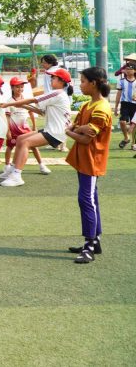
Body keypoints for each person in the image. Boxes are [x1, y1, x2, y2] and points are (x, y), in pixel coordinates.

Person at [63, 67, 113, 263]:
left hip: (92, 160)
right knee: (91, 198)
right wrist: (78, 129)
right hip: (84, 159)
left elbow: (85, 137)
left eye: (83, 81)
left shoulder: (101, 108)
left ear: (94, 83)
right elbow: (79, 128)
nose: (80, 84)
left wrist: (70, 132)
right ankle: (95, 241)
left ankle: (90, 245)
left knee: (86, 200)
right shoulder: (87, 105)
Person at [0, 68, 73, 187]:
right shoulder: (58, 94)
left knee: (26, 142)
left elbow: (33, 99)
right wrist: (22, 105)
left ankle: (17, 175)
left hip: (55, 132)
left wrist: (9, 103)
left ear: (61, 81)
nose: (51, 80)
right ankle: (12, 169)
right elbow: (41, 112)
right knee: (20, 139)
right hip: (52, 130)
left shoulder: (57, 93)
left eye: (53, 78)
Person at [2, 77, 47, 178]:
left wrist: (34, 126)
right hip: (14, 130)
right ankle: (7, 166)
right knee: (10, 147)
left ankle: (41, 165)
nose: (20, 89)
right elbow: (7, 117)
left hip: (25, 129)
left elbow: (31, 112)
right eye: (17, 87)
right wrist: (8, 131)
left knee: (34, 146)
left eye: (22, 87)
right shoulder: (9, 101)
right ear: (12, 88)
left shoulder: (26, 100)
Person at [113, 62, 136, 150]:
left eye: (130, 69)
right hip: (125, 104)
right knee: (122, 121)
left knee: (134, 124)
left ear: (134, 71)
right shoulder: (121, 81)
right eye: (127, 69)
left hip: (134, 104)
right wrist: (116, 107)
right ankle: (126, 138)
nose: (128, 71)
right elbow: (118, 94)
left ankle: (133, 143)